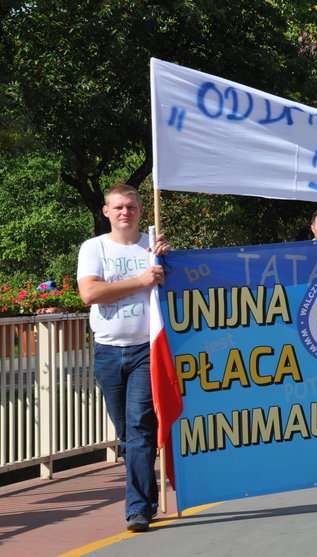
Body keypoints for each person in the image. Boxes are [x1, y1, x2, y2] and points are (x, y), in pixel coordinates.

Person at [77, 184, 171, 532]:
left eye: (130, 207)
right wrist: (142, 279)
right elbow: (90, 292)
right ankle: (142, 479)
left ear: (141, 210)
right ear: (106, 212)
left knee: (140, 428)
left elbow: (180, 290)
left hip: (147, 350)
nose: (124, 213)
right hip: (107, 351)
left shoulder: (154, 247)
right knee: (127, 434)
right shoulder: (94, 247)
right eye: (118, 207)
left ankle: (138, 510)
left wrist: (167, 262)